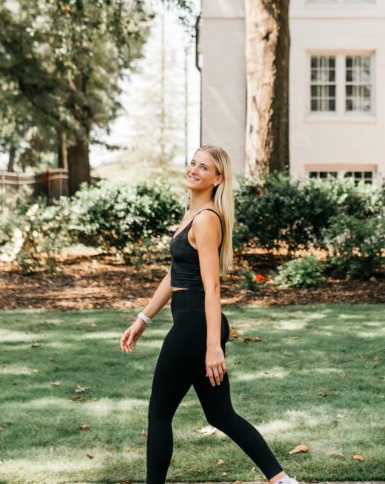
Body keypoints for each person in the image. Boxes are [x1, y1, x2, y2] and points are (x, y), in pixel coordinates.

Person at [120, 144, 299, 484]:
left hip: (196, 326)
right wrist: (143, 319)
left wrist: (213, 345)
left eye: (204, 167)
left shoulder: (206, 220)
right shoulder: (192, 216)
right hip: (195, 324)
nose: (194, 170)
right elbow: (175, 275)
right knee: (220, 414)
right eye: (193, 163)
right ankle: (281, 481)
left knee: (159, 415)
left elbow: (212, 286)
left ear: (218, 178)